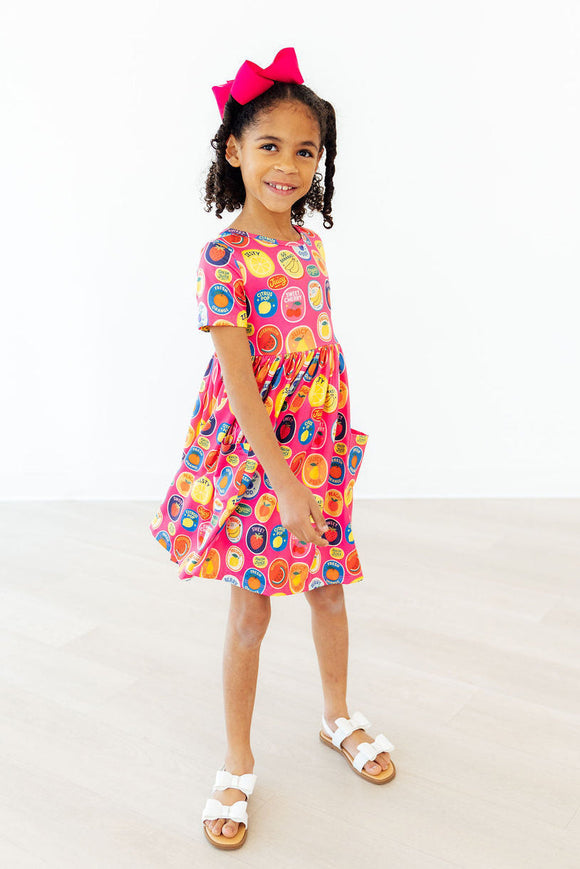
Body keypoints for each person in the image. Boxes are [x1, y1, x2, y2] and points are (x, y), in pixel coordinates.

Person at [148, 47, 396, 852]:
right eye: (269, 146)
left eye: (305, 150)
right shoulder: (224, 259)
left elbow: (316, 359)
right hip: (260, 459)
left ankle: (337, 716)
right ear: (233, 150)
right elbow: (241, 384)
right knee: (252, 608)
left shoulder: (310, 247)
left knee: (327, 589)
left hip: (318, 449)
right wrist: (284, 481)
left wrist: (324, 453)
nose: (289, 165)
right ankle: (237, 760)